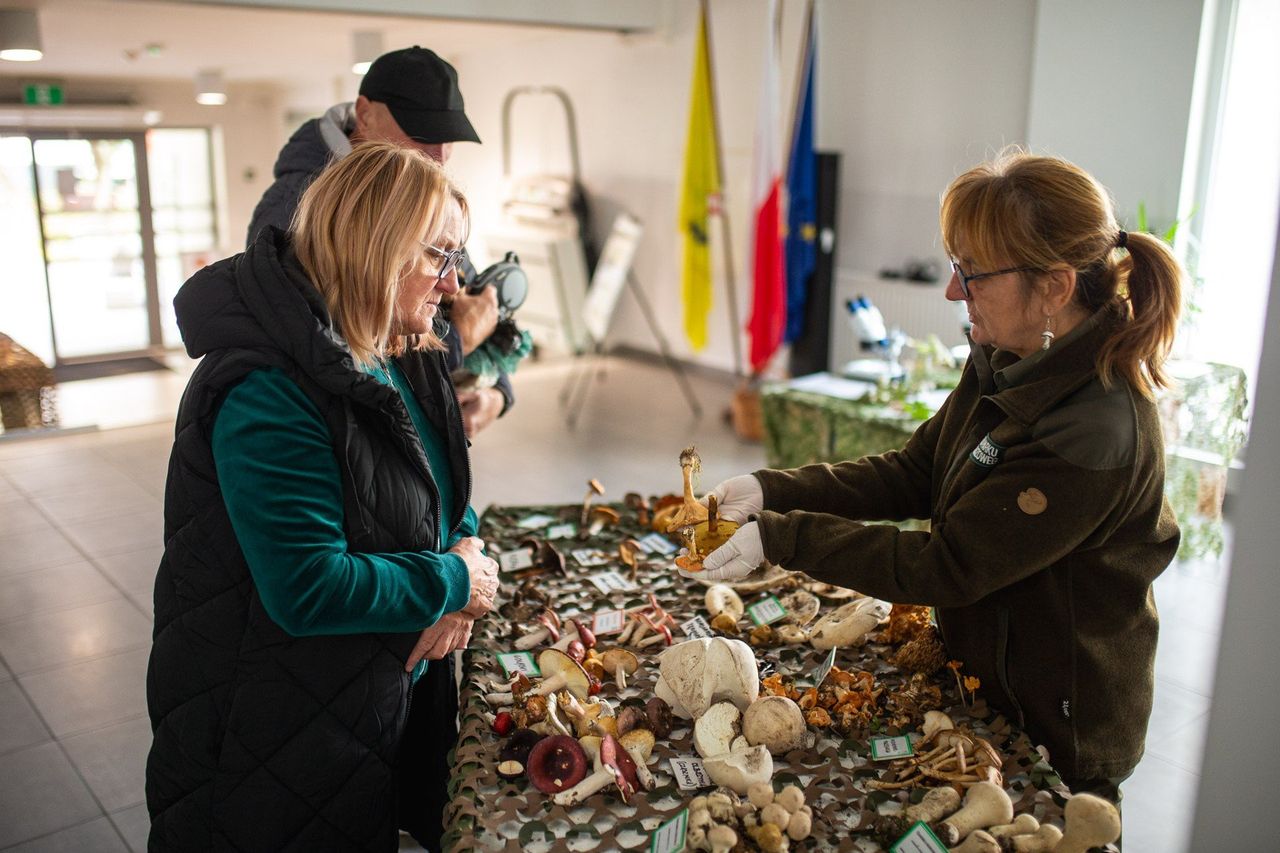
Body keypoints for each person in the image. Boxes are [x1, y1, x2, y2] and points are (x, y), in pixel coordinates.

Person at [693, 149, 1182, 803]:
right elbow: (918, 470)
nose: (954, 291)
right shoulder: (1006, 353)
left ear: (1056, 287)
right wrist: (775, 489)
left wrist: (782, 538)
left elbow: (949, 564)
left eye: (973, 274)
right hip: (984, 680)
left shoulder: (1095, 430)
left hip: (1058, 720)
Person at [146, 142, 499, 851]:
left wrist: (460, 560)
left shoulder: (402, 349)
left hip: (351, 707)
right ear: (378, 246)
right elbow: (307, 585)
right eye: (438, 256)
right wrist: (453, 578)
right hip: (267, 730)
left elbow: (443, 485)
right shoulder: (266, 388)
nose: (454, 283)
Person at [248, 45, 510, 437]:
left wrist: (498, 394)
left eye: (449, 138)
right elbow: (320, 347)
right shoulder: (297, 208)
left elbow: (468, 295)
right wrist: (460, 341)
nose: (439, 156)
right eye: (422, 133)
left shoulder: (422, 194)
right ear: (365, 113)